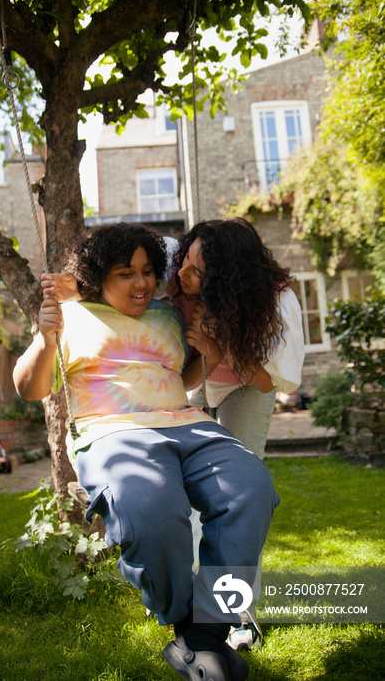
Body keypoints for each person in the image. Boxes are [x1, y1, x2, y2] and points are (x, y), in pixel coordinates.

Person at [15, 222, 280, 681]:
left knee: (250, 488)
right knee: (151, 512)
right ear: (99, 276)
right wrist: (45, 338)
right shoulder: (71, 315)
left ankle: (202, 638)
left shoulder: (167, 314)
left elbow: (182, 378)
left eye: (147, 271)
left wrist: (209, 356)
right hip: (113, 431)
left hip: (186, 424)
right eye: (124, 273)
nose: (141, 283)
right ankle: (190, 624)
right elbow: (29, 387)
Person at [168, 218, 305, 651]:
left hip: (246, 384)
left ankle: (243, 618)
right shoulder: (177, 267)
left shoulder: (275, 301)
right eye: (186, 261)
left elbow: (269, 381)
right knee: (193, 501)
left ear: (228, 280)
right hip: (198, 385)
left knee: (237, 497)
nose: (183, 277)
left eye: (197, 273)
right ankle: (201, 605)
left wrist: (218, 349)